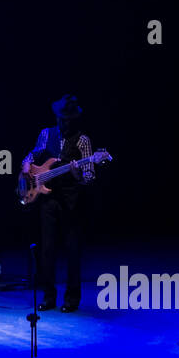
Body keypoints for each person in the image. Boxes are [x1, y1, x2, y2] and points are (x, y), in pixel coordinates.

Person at [21, 94, 107, 312]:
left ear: (74, 119)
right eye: (61, 118)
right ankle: (49, 297)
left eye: (68, 119)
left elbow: (90, 176)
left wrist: (78, 175)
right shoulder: (45, 134)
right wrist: (26, 166)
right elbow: (33, 155)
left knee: (72, 251)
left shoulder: (83, 141)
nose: (64, 123)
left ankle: (71, 300)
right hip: (48, 199)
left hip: (71, 201)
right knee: (47, 250)